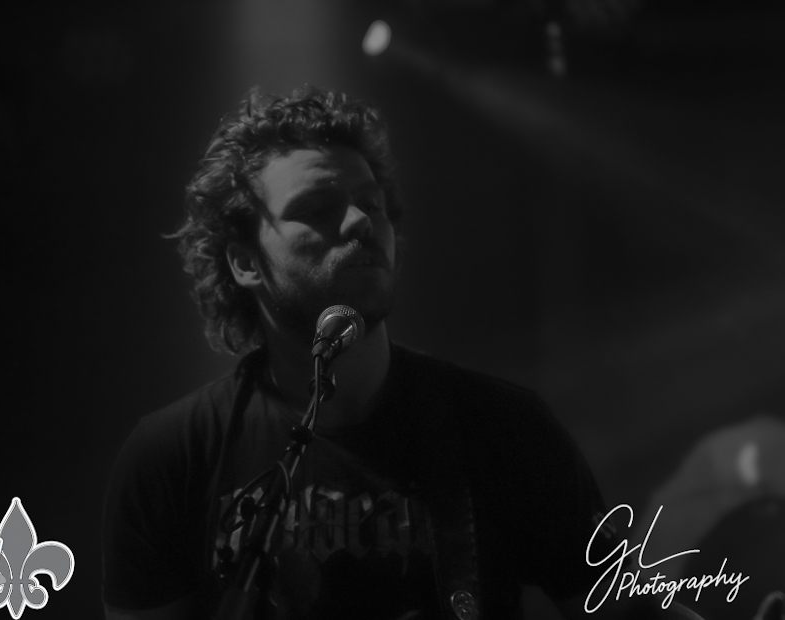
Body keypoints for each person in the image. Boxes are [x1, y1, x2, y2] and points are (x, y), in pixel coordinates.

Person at [102, 85, 782, 620]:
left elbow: (621, 606)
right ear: (246, 263)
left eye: (371, 203)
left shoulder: (502, 429)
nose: (361, 222)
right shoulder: (172, 457)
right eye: (318, 208)